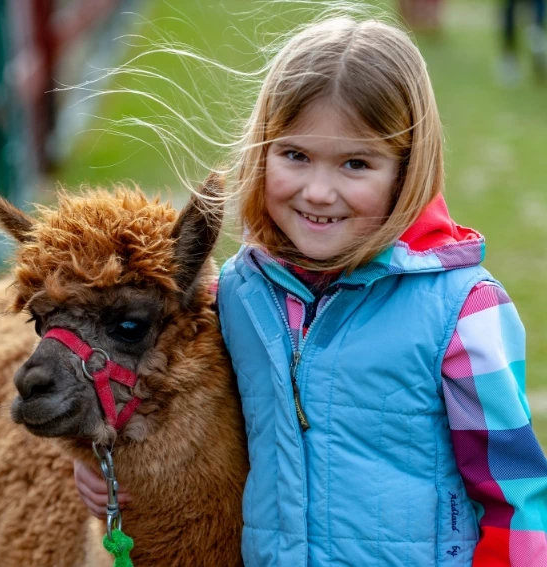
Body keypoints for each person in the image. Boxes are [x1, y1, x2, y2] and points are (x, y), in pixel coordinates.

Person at [74, 13, 547, 566]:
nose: (319, 192)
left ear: (406, 169)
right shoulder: (238, 296)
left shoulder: (463, 311)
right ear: (262, 152)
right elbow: (176, 409)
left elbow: (514, 494)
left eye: (356, 163)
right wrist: (98, 465)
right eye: (295, 155)